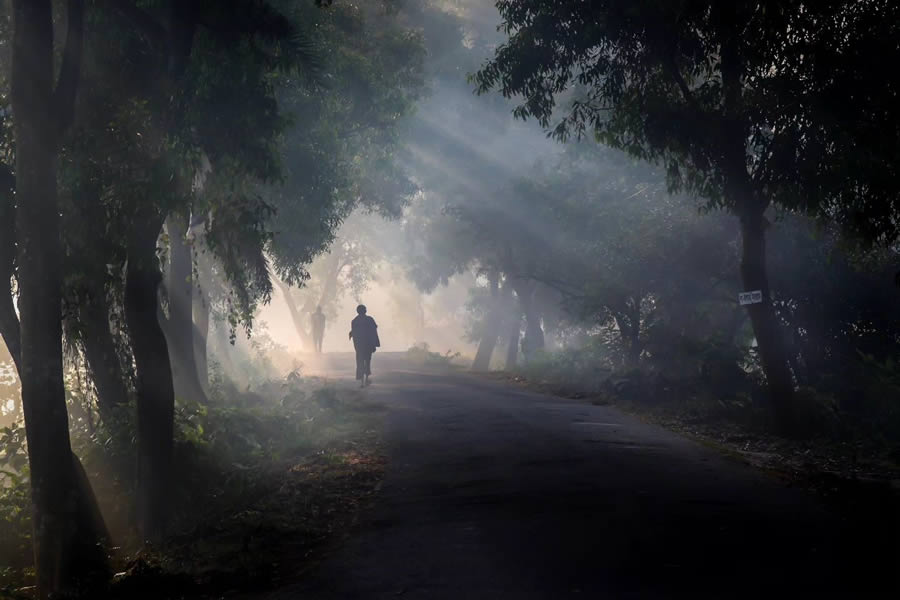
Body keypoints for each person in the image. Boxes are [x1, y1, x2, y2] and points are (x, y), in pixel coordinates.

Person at [349, 304, 380, 387]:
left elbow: (353, 334)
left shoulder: (354, 321)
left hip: (359, 346)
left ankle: (362, 381)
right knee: (367, 361)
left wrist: (356, 346)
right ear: (365, 311)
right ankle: (366, 379)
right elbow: (374, 332)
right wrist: (375, 344)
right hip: (368, 345)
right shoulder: (369, 319)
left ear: (357, 311)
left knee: (360, 362)